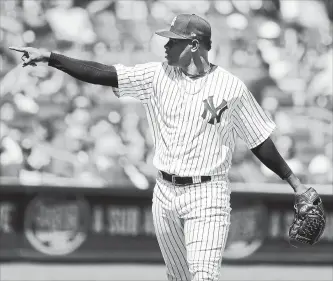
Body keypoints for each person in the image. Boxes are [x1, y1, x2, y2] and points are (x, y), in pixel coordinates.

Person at [9, 13, 322, 281]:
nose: (166, 44)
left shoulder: (231, 87)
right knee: (178, 278)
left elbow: (259, 140)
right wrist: (52, 58)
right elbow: (103, 73)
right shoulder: (155, 75)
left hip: (207, 195)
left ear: (195, 46)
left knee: (204, 277)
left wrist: (294, 183)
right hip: (164, 192)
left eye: (174, 41)